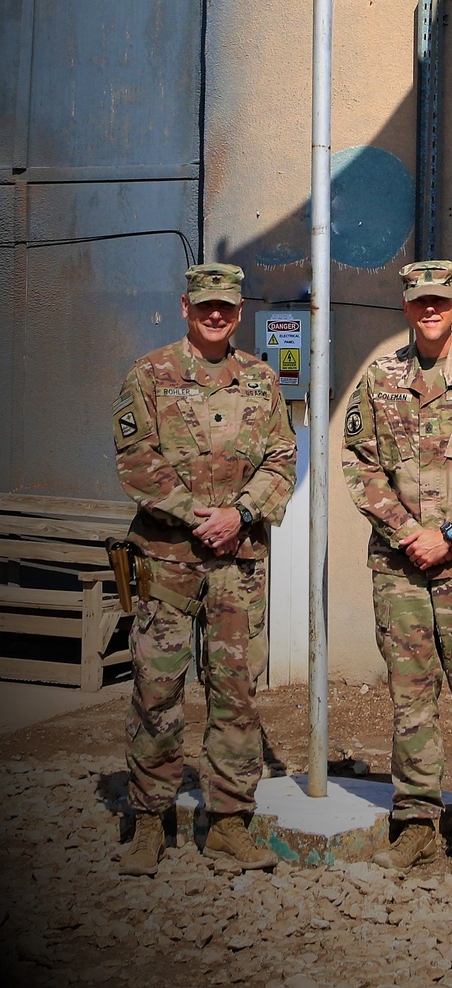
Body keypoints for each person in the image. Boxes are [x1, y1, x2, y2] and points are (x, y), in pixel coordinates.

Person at [112, 262, 297, 876]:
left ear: (240, 312)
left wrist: (239, 514)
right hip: (167, 558)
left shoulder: (263, 382)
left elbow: (281, 461)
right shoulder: (150, 374)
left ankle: (226, 823)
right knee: (156, 690)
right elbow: (135, 459)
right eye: (205, 306)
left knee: (235, 692)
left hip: (237, 563)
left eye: (227, 306)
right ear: (186, 306)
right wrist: (198, 515)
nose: (215, 315)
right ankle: (148, 821)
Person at [342, 259, 452, 876]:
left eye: (440, 300)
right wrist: (407, 533)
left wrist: (448, 533)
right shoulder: (378, 380)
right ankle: (416, 821)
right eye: (420, 301)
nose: (430, 310)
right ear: (406, 307)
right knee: (411, 698)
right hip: (400, 567)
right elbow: (360, 466)